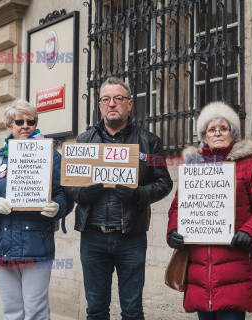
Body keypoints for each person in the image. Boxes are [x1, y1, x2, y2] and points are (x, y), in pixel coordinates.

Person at [64, 77, 173, 320]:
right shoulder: (83, 141)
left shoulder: (149, 142)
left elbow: (164, 183)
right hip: (93, 236)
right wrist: (84, 193)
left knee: (133, 310)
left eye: (118, 99)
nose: (112, 104)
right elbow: (70, 185)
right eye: (106, 99)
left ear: (130, 104)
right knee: (95, 310)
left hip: (131, 237)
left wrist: (139, 194)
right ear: (100, 105)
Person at [167, 101, 252, 320]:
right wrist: (174, 231)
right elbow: (178, 206)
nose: (217, 133)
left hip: (234, 266)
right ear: (204, 136)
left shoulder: (249, 166)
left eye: (223, 129)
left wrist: (249, 231)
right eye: (211, 129)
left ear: (232, 134)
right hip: (199, 269)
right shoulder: (193, 168)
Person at [0, 99, 72, 320]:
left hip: (35, 243)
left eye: (31, 121)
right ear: (9, 127)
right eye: (19, 122)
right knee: (12, 311)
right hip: (2, 243)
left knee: (36, 310)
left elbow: (63, 194)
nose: (26, 126)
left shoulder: (52, 156)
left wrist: (58, 207)